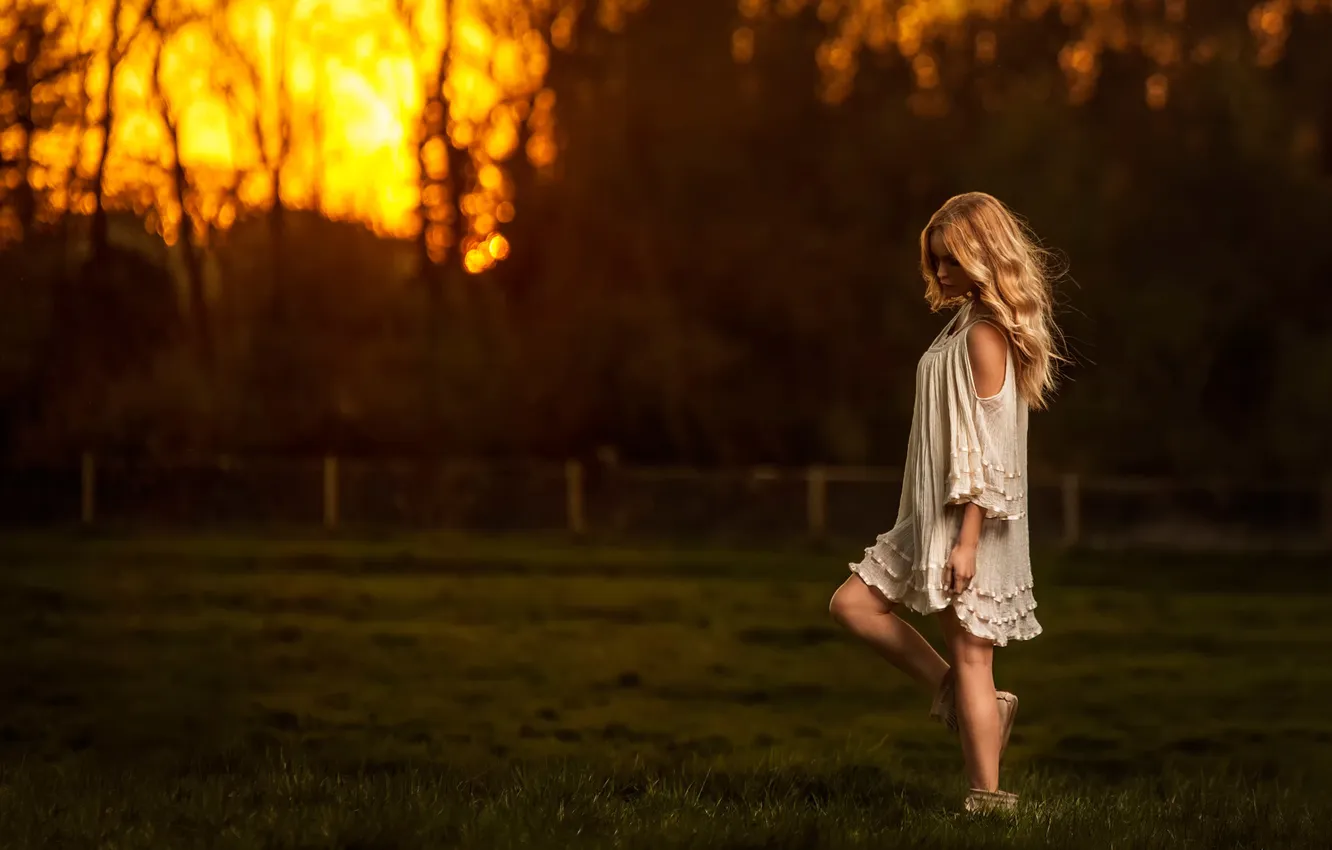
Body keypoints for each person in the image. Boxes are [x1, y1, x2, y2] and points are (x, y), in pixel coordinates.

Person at [827, 192, 1065, 815]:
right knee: (852, 606)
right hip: (928, 516)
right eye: (934, 262)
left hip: (967, 522)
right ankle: (956, 697)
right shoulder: (963, 320)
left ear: (983, 258)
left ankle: (989, 800)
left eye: (951, 262)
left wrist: (966, 540)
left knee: (973, 657)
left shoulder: (986, 335)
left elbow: (991, 451)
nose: (940, 274)